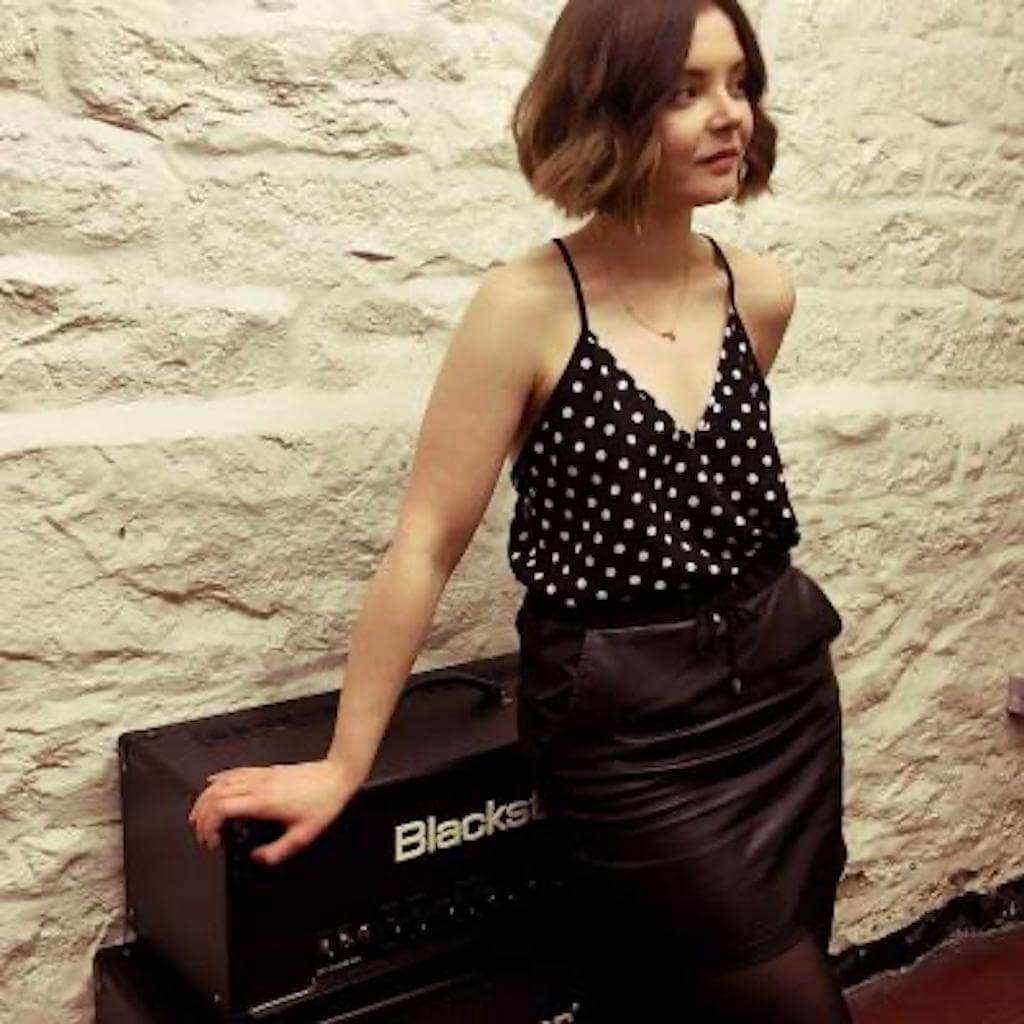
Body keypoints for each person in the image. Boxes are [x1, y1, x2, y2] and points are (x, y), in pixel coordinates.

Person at [189, 1, 854, 1020]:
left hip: (783, 697)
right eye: (685, 91)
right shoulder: (525, 306)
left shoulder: (758, 294)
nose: (730, 115)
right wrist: (344, 765)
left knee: (703, 990)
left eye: (739, 84)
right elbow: (425, 542)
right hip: (629, 734)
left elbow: (694, 502)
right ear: (607, 109)